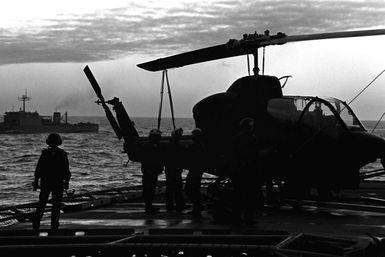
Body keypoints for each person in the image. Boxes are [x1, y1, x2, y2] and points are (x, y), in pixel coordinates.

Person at [32, 133, 71, 230]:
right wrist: (66, 182)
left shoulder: (45, 153)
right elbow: (66, 170)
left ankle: (36, 223)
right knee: (56, 205)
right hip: (58, 182)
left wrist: (36, 181)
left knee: (42, 203)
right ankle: (54, 225)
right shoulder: (62, 154)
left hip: (46, 182)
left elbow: (39, 169)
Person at [230, 117, 262, 225]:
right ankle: (248, 218)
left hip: (238, 172)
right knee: (248, 196)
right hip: (247, 172)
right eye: (251, 126)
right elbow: (253, 155)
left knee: (238, 196)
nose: (252, 128)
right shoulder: (251, 138)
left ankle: (236, 217)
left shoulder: (236, 138)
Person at [140, 129, 164, 213]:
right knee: (148, 189)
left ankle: (149, 205)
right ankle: (148, 206)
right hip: (149, 172)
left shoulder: (154, 146)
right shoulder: (149, 147)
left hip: (152, 171)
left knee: (151, 189)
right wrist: (148, 170)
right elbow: (146, 160)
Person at [164, 128, 186, 212]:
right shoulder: (178, 146)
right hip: (175, 170)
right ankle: (179, 205)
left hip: (170, 170)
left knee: (170, 188)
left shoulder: (169, 145)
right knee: (176, 188)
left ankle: (170, 205)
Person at [185, 128, 205, 217]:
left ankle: (197, 207)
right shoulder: (201, 146)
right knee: (195, 190)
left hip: (195, 171)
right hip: (198, 170)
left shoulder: (195, 146)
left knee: (190, 189)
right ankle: (198, 207)